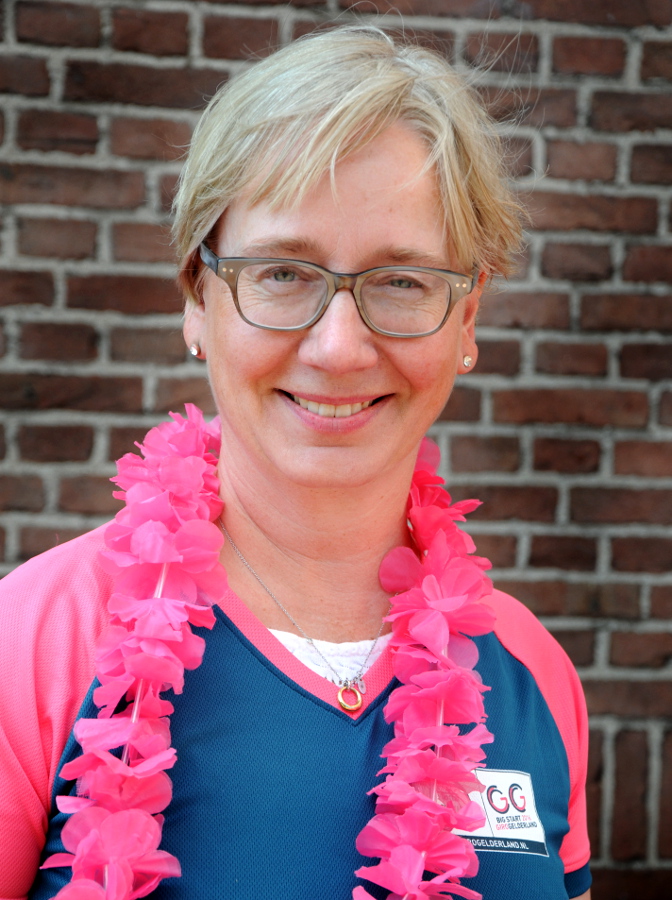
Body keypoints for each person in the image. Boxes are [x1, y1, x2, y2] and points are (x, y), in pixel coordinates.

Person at [0, 26, 591, 900]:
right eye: (283, 272)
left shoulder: (533, 673)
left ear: (466, 319)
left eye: (402, 281)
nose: (339, 347)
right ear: (198, 297)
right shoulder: (34, 643)